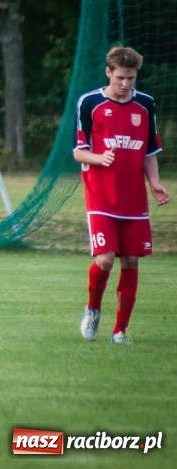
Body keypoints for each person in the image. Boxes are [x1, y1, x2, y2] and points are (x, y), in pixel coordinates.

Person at [74, 46, 170, 345]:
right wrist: (99, 158)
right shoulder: (89, 103)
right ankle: (92, 308)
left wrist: (154, 183)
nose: (126, 84)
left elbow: (150, 151)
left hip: (134, 200)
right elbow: (79, 151)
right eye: (120, 77)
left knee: (131, 261)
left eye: (130, 78)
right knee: (104, 261)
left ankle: (119, 331)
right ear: (108, 73)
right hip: (101, 197)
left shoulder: (146, 105)